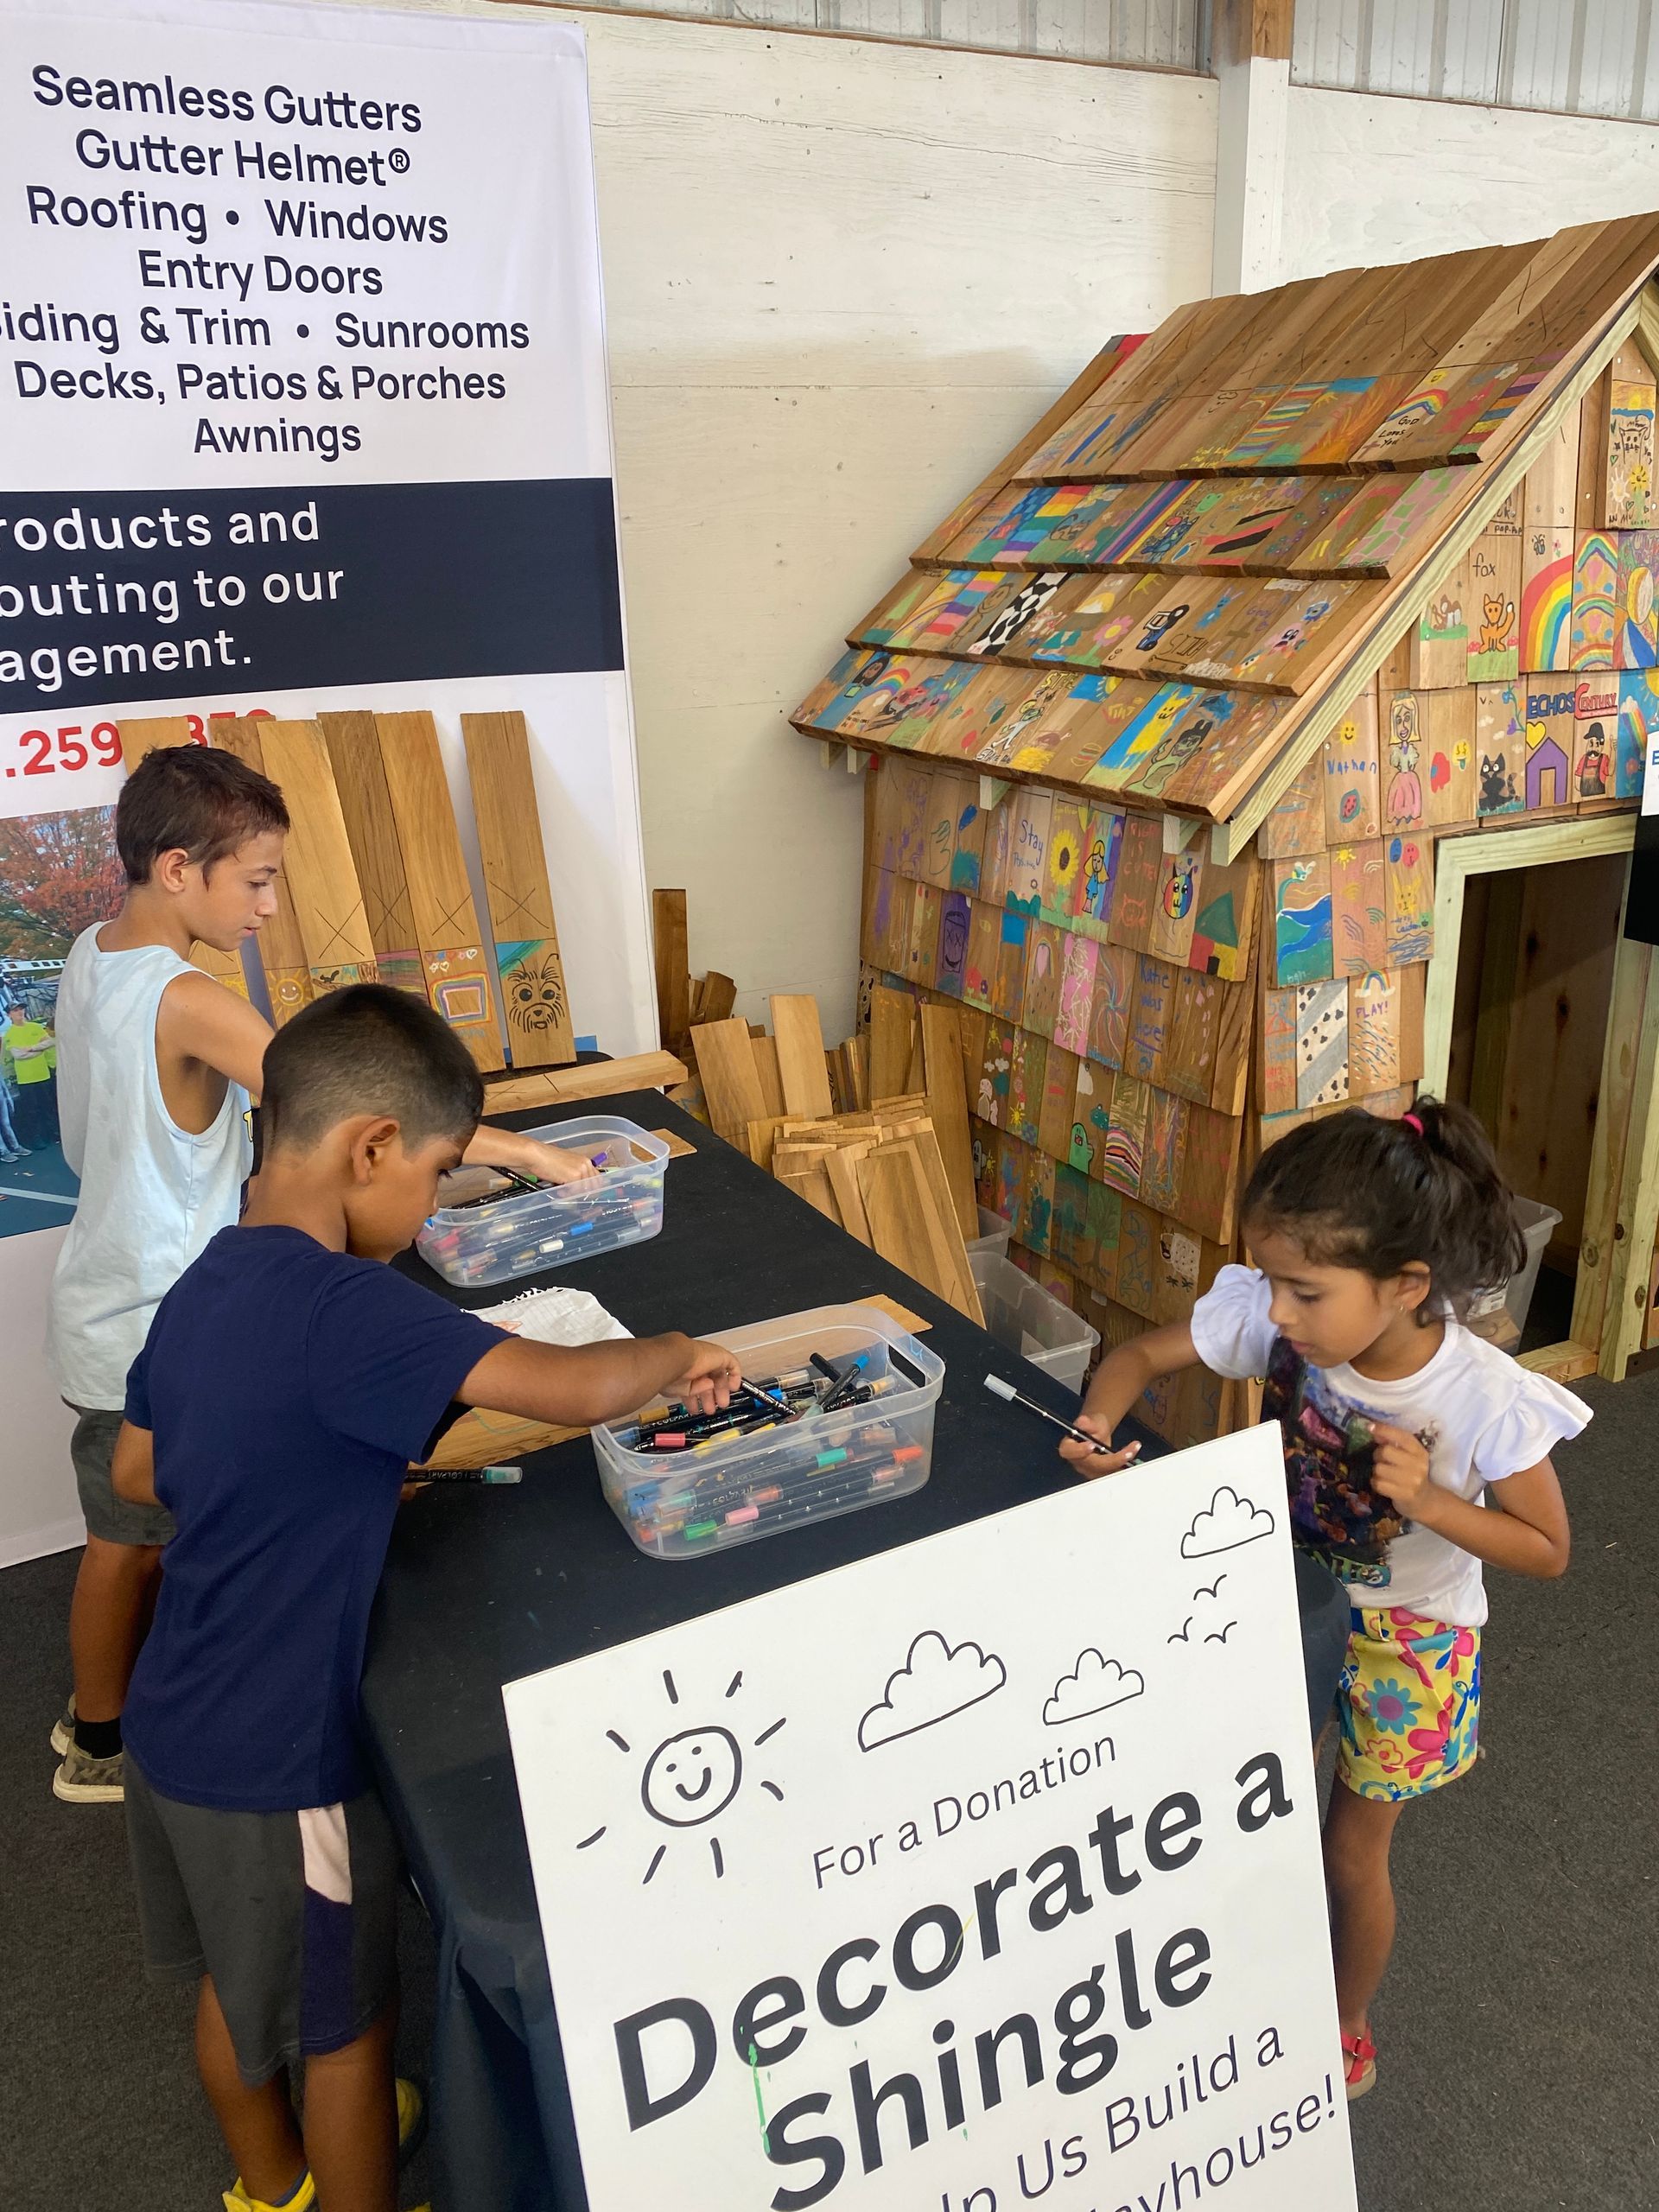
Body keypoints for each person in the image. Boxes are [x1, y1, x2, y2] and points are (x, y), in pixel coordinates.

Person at [110, 985, 739, 2212]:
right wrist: (677, 1351)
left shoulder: (211, 1277)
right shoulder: (351, 1304)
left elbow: (142, 1468)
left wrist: (308, 1465)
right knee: (347, 2026)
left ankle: (267, 2186)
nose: (435, 1203)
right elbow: (577, 1386)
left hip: (174, 1714)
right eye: (441, 1173)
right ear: (373, 1147)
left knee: (238, 1987)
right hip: (278, 1758)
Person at [45, 743, 595, 1805]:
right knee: (127, 1540)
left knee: (134, 1532)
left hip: (107, 1294)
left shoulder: (90, 951)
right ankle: (99, 1740)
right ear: (176, 869)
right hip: (157, 1317)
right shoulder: (189, 999)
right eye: (255, 881)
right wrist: (524, 1151)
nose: (269, 906)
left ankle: (107, 1718)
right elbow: (333, 1104)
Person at [1058, 1100, 1585, 2102]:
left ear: (1406, 1286)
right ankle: (1234, 1986)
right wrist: (1095, 1421)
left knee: (1350, 1853)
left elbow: (1550, 1549)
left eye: (1303, 1290)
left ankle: (1343, 2021)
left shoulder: (1480, 1394)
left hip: (1412, 1639)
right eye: (1268, 1281)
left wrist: (1431, 1502)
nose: (1279, 1311)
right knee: (1254, 1817)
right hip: (1285, 1602)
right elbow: (1135, 1358)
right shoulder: (1279, 1317)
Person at [3, 997, 57, 1150]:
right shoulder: (10, 1034)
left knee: (48, 1106)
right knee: (31, 1110)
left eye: (21, 1009)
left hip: (43, 1074)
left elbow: (50, 1042)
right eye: (15, 1010)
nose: (20, 1012)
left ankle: (53, 1133)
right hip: (26, 1078)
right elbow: (18, 1055)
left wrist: (31, 1048)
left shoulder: (35, 1027)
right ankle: (36, 1138)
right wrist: (39, 1049)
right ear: (9, 1015)